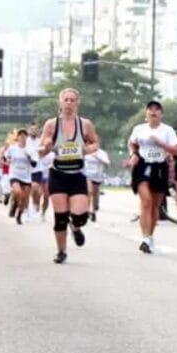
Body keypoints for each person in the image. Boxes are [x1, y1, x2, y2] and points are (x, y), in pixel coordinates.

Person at [38, 88, 101, 263]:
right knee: (60, 217)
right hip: (58, 174)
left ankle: (75, 226)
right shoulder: (51, 124)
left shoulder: (85, 124)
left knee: (80, 215)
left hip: (77, 174)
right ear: (60, 102)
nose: (69, 103)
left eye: (72, 100)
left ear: (77, 103)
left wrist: (87, 149)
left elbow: (95, 142)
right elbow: (41, 149)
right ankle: (61, 251)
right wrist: (47, 147)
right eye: (65, 99)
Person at [127, 100, 177, 254]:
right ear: (146, 114)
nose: (153, 112)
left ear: (161, 114)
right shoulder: (139, 129)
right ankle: (144, 238)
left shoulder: (167, 130)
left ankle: (150, 236)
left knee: (155, 205)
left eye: (157, 109)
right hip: (143, 166)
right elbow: (131, 143)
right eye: (150, 109)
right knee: (146, 201)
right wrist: (133, 154)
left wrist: (161, 143)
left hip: (159, 167)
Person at [2, 129, 34, 225]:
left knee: (24, 198)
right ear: (18, 137)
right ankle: (14, 205)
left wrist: (29, 157)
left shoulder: (30, 149)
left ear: (27, 138)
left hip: (26, 176)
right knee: (18, 192)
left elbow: (34, 164)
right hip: (15, 174)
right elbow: (5, 156)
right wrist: (7, 160)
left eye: (24, 136)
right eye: (20, 136)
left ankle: (19, 215)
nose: (22, 137)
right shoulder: (12, 148)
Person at [83, 148, 110, 222]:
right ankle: (87, 211)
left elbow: (107, 163)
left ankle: (94, 210)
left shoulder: (101, 153)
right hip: (87, 174)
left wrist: (97, 157)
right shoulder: (85, 151)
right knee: (89, 192)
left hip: (97, 176)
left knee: (95, 194)